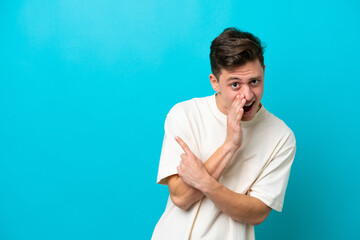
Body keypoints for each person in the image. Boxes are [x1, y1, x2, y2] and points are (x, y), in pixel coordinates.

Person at [151, 27, 296, 240]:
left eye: (254, 82)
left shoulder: (281, 136)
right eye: (235, 84)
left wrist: (204, 181)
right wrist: (229, 146)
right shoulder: (185, 115)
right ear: (215, 82)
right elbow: (181, 197)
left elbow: (257, 212)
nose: (247, 95)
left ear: (264, 72)